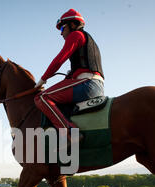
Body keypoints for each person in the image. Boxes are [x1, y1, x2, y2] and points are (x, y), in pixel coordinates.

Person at [34, 9, 105, 144]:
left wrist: (42, 80)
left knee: (41, 97)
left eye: (62, 27)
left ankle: (70, 132)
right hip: (96, 85)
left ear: (72, 24)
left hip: (87, 84)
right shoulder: (87, 38)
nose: (61, 32)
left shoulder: (76, 35)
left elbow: (59, 60)